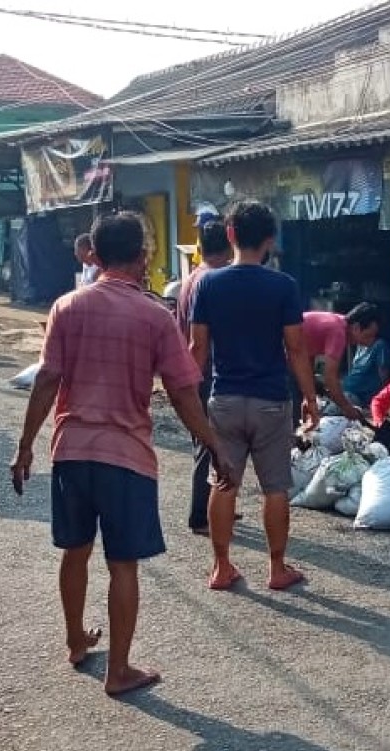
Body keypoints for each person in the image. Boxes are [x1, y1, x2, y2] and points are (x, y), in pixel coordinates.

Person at [10, 212, 232, 697]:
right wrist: (215, 448)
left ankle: (75, 641)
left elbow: (47, 379)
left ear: (96, 254)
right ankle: (119, 670)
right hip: (126, 455)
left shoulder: (67, 306)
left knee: (75, 550)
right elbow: (183, 393)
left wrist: (25, 445)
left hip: (70, 450)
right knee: (122, 565)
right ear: (141, 256)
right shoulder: (154, 315)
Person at [190, 200, 320, 592]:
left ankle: (221, 566)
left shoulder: (208, 284)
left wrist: (189, 398)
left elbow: (197, 349)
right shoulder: (283, 286)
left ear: (229, 234)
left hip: (225, 398)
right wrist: (309, 397)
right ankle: (277, 569)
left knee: (222, 482)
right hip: (270, 401)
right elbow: (296, 349)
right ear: (269, 241)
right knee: (275, 487)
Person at [176, 214, 233, 535]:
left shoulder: (193, 277)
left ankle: (216, 505)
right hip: (206, 371)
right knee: (209, 443)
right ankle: (200, 514)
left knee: (209, 442)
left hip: (193, 369)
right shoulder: (212, 280)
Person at [298, 304, 384, 421]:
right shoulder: (338, 332)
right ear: (356, 327)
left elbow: (308, 357)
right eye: (367, 336)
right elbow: (330, 378)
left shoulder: (337, 324)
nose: (369, 343)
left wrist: (308, 397)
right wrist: (346, 408)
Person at [342, 304, 390, 408]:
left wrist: (382, 402)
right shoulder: (359, 345)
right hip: (346, 392)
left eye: (371, 336)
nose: (368, 340)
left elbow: (383, 377)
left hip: (358, 398)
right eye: (367, 335)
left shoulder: (380, 346)